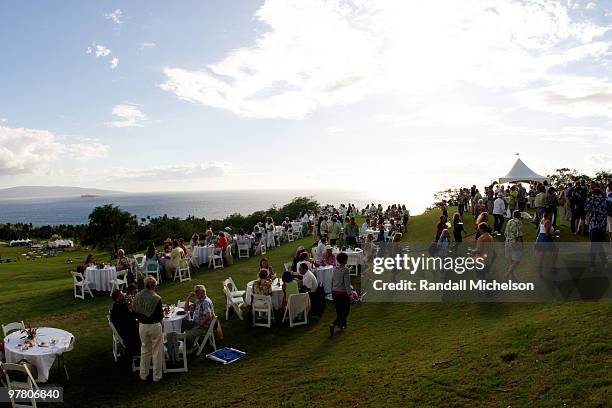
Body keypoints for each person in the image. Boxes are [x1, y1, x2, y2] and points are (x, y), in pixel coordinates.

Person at [132, 276, 163, 382]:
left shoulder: (138, 296)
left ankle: (143, 374)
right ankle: (157, 376)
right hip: (154, 325)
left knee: (145, 350)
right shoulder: (156, 298)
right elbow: (160, 316)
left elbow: (134, 310)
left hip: (142, 326)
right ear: (153, 285)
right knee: (157, 351)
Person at [182, 284, 214, 350]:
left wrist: (199, 325)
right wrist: (188, 297)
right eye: (195, 291)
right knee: (182, 323)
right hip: (196, 323)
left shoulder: (205, 302)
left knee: (187, 335)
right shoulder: (199, 301)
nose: (195, 293)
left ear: (203, 291)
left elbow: (209, 316)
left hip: (203, 327)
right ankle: (182, 342)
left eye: (197, 291)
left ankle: (193, 346)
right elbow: (186, 309)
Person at [110, 290, 141, 356]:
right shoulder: (120, 310)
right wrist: (131, 304)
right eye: (122, 295)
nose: (124, 296)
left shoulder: (117, 307)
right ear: (117, 299)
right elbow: (133, 316)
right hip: (131, 337)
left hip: (128, 332)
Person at [585, 186, 609, 269]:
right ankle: (604, 262)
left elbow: (586, 208)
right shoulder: (605, 200)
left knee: (594, 246)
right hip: (602, 225)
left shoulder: (591, 199)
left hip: (594, 225)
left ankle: (593, 264)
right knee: (599, 245)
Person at [329, 252, 351, 335]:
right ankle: (334, 324)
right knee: (345, 310)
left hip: (335, 292)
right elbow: (347, 284)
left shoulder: (335, 269)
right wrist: (350, 294)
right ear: (345, 260)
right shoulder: (345, 270)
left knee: (339, 310)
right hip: (342, 293)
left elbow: (332, 281)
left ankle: (342, 325)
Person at [535, 208, 559, 274]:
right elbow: (547, 233)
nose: (552, 214)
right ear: (549, 213)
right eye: (551, 213)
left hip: (540, 238)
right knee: (555, 252)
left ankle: (539, 269)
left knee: (541, 254)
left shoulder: (542, 220)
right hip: (545, 239)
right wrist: (556, 233)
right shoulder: (547, 222)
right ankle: (552, 268)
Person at [504, 210, 524, 280]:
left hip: (507, 242)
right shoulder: (519, 223)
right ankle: (507, 274)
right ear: (519, 216)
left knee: (511, 261)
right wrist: (521, 245)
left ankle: (511, 276)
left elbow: (505, 233)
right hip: (514, 242)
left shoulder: (509, 221)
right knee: (517, 260)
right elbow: (520, 235)